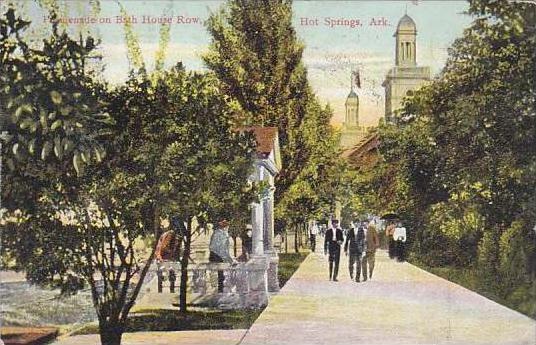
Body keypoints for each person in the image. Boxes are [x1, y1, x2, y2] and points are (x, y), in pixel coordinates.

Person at [209, 219, 236, 293]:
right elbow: (221, 250)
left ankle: (221, 291)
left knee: (220, 277)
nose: (228, 229)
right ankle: (221, 291)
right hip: (218, 258)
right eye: (227, 227)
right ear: (225, 227)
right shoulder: (222, 235)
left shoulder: (216, 233)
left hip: (215, 257)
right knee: (221, 276)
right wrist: (230, 260)